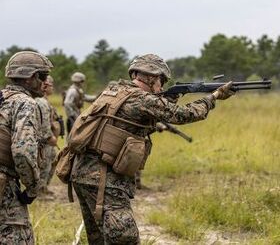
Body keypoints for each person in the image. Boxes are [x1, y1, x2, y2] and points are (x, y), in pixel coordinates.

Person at [69, 54, 234, 244]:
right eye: (161, 81)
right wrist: (213, 97)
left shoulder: (114, 90)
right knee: (125, 239)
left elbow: (136, 118)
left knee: (98, 239)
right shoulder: (143, 99)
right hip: (104, 178)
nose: (162, 87)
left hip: (83, 172)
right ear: (151, 77)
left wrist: (169, 99)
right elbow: (185, 114)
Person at [0, 51, 53, 244]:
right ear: (31, 78)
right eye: (43, 76)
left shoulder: (1, 98)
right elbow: (23, 152)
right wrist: (32, 188)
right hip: (5, 189)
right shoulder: (25, 103)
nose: (46, 82)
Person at [35, 75, 59, 197]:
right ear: (44, 85)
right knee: (44, 163)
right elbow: (44, 126)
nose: (52, 87)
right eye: (51, 84)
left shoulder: (44, 100)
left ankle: (44, 187)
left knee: (52, 159)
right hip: (43, 141)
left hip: (44, 140)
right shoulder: (41, 102)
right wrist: (51, 138)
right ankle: (40, 190)